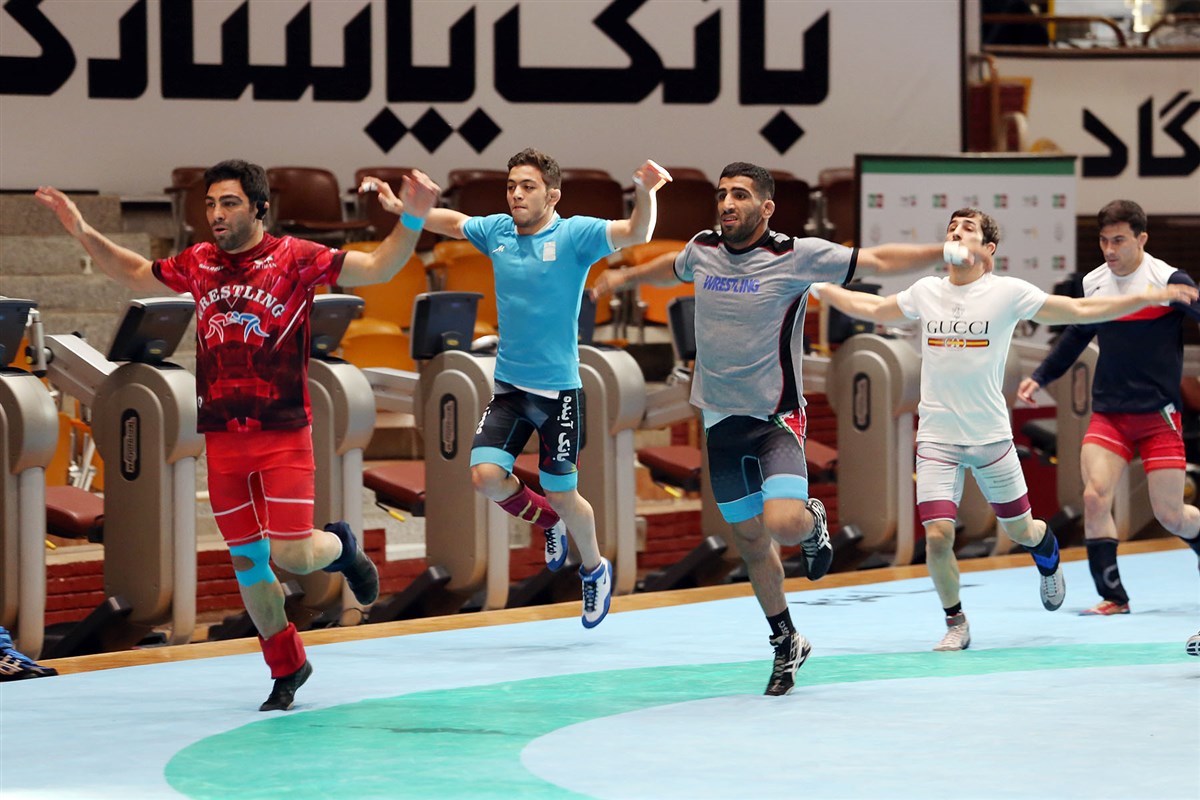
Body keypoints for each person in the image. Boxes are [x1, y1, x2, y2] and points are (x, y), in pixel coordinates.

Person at [34, 160, 440, 710]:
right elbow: (134, 272)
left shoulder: (294, 258)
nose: (217, 214)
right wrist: (82, 230)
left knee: (294, 555)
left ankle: (343, 547)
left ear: (259, 207)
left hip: (282, 434)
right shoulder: (199, 261)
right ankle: (287, 666)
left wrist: (412, 219)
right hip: (223, 439)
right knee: (249, 563)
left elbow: (376, 267)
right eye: (210, 205)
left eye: (228, 203)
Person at [590, 162, 995, 694]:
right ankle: (787, 641)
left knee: (783, 524)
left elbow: (877, 258)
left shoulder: (796, 255)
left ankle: (812, 521)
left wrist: (942, 253)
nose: (727, 203)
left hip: (775, 419)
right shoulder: (703, 248)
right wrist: (627, 276)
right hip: (720, 422)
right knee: (750, 543)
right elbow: (674, 265)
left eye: (740, 195)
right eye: (722, 194)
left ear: (766, 207)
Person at [813, 208, 1196, 651]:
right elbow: (872, 306)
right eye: (951, 229)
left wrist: (1149, 297)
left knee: (1022, 530)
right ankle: (956, 622)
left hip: (991, 439)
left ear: (988, 248)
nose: (956, 234)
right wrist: (818, 285)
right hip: (937, 438)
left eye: (968, 229)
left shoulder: (1008, 293)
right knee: (938, 536)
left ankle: (1046, 553)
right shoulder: (926, 291)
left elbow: (1080, 310)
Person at [363, 149, 670, 629]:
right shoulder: (498, 231)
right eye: (511, 186)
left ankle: (593, 568)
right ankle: (547, 521)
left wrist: (645, 192)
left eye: (527, 187)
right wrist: (403, 208)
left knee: (564, 494)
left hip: (559, 394)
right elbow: (451, 223)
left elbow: (637, 233)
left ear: (552, 195)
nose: (516, 195)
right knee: (486, 477)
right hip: (509, 388)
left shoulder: (574, 235)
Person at [1017, 200, 1200, 616]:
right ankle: (1114, 597)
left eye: (1119, 240)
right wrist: (1041, 376)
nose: (1110, 250)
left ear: (1141, 239)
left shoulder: (1169, 279)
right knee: (1095, 497)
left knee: (1171, 515)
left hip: (1159, 417)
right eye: (1103, 241)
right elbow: (1076, 335)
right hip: (1110, 416)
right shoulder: (1094, 283)